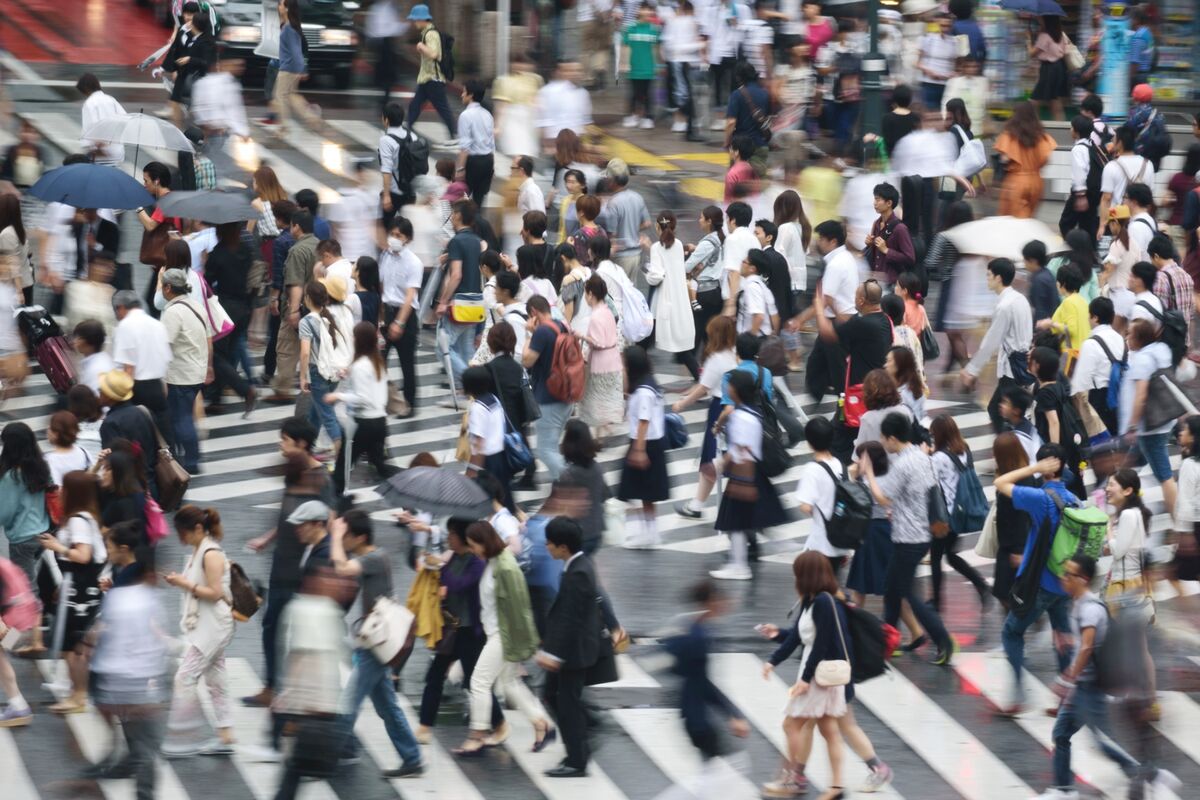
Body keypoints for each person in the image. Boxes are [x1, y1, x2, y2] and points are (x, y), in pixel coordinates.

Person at [1032, 554, 1180, 800]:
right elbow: (1088, 642)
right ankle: (1063, 790)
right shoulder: (1079, 603)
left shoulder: (1089, 608)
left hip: (1089, 687)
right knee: (1062, 734)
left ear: (1084, 579)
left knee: (1103, 742)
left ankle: (1152, 774)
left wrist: (1066, 679)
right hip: (1083, 687)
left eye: (1069, 574)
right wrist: (1070, 641)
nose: (1064, 578)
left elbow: (1088, 646)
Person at [242, 419, 335, 713]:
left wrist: (324, 558)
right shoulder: (292, 472)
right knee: (272, 625)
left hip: (304, 567)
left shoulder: (321, 479)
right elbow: (286, 511)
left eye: (285, 440)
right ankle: (271, 687)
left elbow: (330, 522)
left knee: (298, 632)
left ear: (302, 444)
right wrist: (267, 538)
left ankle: (296, 694)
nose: (280, 445)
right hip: (281, 561)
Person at [327, 510, 424, 777]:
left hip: (375, 646)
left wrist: (334, 535)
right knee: (387, 706)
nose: (343, 540)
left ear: (360, 537)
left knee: (348, 703)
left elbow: (341, 567)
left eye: (347, 536)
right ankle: (412, 757)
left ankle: (323, 758)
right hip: (374, 643)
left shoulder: (374, 558)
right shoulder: (372, 557)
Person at [858, 412, 956, 665]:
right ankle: (886, 643)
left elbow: (882, 498)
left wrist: (868, 472)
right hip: (920, 532)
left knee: (905, 593)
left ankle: (942, 639)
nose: (881, 441)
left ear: (892, 438)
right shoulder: (921, 456)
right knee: (893, 590)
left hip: (909, 536)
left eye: (883, 437)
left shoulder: (903, 464)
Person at [453, 521, 554, 755]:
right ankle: (542, 724)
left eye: (473, 545)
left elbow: (520, 609)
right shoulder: (492, 562)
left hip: (503, 635)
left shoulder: (506, 567)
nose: (472, 550)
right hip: (496, 633)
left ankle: (477, 735)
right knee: (509, 684)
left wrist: (525, 644)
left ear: (484, 542)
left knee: (478, 682)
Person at [760, 551, 854, 800]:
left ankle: (792, 781)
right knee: (829, 730)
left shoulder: (823, 601)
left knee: (791, 724)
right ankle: (835, 787)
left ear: (806, 575)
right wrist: (773, 659)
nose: (795, 578)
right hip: (816, 673)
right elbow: (797, 637)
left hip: (818, 677)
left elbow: (821, 643)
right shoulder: (810, 600)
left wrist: (804, 680)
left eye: (797, 573)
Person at [991, 444, 1077, 714]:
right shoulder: (1075, 500)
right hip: (1066, 583)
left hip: (1040, 584)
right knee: (1062, 636)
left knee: (1011, 632)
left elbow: (1000, 482)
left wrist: (1034, 469)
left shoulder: (1040, 499)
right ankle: (1067, 695)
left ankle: (1017, 696)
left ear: (1045, 467)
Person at [87, 527, 169, 798]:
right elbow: (152, 642)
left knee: (141, 741)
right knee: (148, 745)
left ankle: (123, 767)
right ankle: (140, 788)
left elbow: (102, 638)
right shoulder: (145, 599)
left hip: (118, 679)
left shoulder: (121, 597)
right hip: (138, 682)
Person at [535, 517, 609, 777]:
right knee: (556, 698)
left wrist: (553, 655)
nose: (547, 546)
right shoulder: (577, 564)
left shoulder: (577, 572)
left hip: (573, 653)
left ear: (563, 547)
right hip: (572, 650)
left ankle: (577, 759)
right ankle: (582, 739)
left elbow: (571, 620)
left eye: (550, 543)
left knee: (567, 705)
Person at [159, 505, 235, 757]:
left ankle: (184, 735)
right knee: (215, 680)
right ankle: (225, 735)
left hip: (213, 626)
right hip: (206, 624)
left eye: (183, 533)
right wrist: (180, 582)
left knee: (184, 678)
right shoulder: (198, 550)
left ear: (198, 529)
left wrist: (184, 584)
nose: (181, 538)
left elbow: (214, 593)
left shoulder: (210, 553)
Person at [710, 369, 788, 580]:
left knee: (736, 522)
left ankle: (739, 565)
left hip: (744, 474)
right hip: (750, 473)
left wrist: (726, 468)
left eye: (730, 385)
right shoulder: (751, 412)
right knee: (746, 520)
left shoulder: (742, 417)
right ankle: (741, 562)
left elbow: (741, 450)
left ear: (736, 390)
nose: (727, 388)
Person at [813, 279, 893, 461]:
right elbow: (846, 324)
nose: (854, 300)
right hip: (874, 387)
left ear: (862, 301)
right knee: (845, 432)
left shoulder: (863, 324)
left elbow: (829, 333)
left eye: (856, 296)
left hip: (859, 392)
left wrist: (819, 307)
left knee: (842, 438)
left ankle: (840, 473)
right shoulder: (884, 320)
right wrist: (833, 307)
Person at [673, 316, 738, 520]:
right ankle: (697, 504)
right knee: (723, 459)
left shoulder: (716, 359)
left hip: (719, 410)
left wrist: (682, 403)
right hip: (737, 408)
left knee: (712, 458)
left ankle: (698, 505)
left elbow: (703, 388)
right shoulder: (736, 355)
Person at [961, 258, 1034, 432]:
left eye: (989, 275)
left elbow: (991, 341)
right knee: (1000, 410)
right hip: (1021, 364)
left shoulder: (1004, 306)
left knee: (1001, 412)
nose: (987, 279)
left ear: (998, 278)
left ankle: (1011, 450)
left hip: (1011, 369)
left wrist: (972, 369)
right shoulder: (1020, 299)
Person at [327, 322, 396, 499]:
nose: (352, 338)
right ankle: (406, 494)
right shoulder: (378, 362)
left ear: (360, 341)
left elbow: (363, 398)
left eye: (354, 336)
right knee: (381, 467)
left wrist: (339, 396)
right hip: (380, 422)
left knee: (343, 465)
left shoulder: (360, 366)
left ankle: (335, 501)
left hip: (363, 424)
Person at [928, 414, 990, 611]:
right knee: (951, 555)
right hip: (961, 510)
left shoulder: (939, 458)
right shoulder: (965, 449)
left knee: (938, 557)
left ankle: (937, 601)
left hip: (945, 514)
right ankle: (981, 585)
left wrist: (926, 456)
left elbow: (929, 479)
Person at [1120, 319, 1178, 516]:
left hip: (1149, 427)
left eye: (1129, 334)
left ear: (1138, 339)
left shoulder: (1142, 360)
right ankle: (1125, 509)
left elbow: (1141, 396)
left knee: (1165, 476)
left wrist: (1133, 426)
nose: (1126, 338)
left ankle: (1181, 526)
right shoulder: (1160, 350)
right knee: (1126, 468)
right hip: (1163, 421)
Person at [619, 345, 671, 550]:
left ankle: (648, 533)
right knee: (645, 492)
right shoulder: (649, 384)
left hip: (645, 444)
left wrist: (638, 450)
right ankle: (649, 532)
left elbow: (643, 421)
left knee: (639, 489)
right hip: (649, 443)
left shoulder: (643, 392)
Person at [159, 269, 211, 475]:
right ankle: (188, 455)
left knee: (181, 418)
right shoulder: (196, 306)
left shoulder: (172, 312)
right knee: (182, 415)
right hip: (196, 370)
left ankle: (191, 460)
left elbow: (165, 344)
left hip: (181, 373)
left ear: (168, 287)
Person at [804, 220, 859, 403]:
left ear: (832, 241)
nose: (818, 242)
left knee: (836, 370)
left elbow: (824, 299)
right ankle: (818, 397)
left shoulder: (836, 264)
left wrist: (799, 320)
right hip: (840, 320)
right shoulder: (845, 258)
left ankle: (845, 407)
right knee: (817, 366)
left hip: (837, 324)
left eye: (821, 239)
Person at [111, 290, 172, 447]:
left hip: (137, 388)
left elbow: (128, 367)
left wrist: (122, 398)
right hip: (157, 386)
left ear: (121, 308)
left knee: (140, 437)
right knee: (164, 436)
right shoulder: (157, 324)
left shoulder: (125, 326)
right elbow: (166, 360)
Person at [524, 295, 573, 482]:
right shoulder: (562, 325)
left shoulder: (542, 332)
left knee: (545, 450)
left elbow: (527, 361)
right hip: (565, 394)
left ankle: (572, 486)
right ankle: (560, 485)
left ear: (534, 313)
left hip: (548, 398)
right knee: (552, 447)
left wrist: (529, 334)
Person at [794, 415, 853, 572]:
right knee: (831, 585)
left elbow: (806, 507)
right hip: (840, 540)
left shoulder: (812, 469)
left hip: (821, 542)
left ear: (809, 443)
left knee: (818, 588)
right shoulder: (841, 465)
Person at [0, 422, 53, 596]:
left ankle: (31, 621)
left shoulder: (12, 476)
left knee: (25, 588)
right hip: (43, 530)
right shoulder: (40, 466)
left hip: (22, 538)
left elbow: (5, 512)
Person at [298, 281, 347, 454]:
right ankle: (307, 446)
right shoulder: (329, 317)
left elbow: (305, 353)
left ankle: (341, 448)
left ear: (309, 299)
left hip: (317, 371)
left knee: (326, 413)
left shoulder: (306, 321)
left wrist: (303, 377)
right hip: (332, 372)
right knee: (316, 411)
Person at [96, 370, 159, 497]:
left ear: (110, 395)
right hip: (151, 485)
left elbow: (113, 463)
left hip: (129, 491)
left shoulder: (110, 423)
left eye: (101, 390)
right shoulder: (143, 411)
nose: (99, 393)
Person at [575, 276, 624, 435]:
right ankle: (604, 427)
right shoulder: (607, 311)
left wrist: (581, 336)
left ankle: (598, 435)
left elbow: (597, 342)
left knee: (595, 399)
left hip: (600, 362)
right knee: (605, 396)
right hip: (613, 359)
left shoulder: (595, 316)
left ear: (590, 294)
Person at [554, 420, 612, 555]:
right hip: (596, 531)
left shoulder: (569, 474)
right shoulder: (597, 468)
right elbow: (604, 495)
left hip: (576, 535)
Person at [1070, 297, 1124, 435]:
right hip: (1120, 396)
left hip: (1100, 400)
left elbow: (1080, 383)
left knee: (1103, 446)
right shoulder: (1120, 339)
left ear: (1094, 317)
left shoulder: (1091, 344)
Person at [405, 4, 457, 143]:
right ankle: (406, 129)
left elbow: (434, 54)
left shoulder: (431, 34)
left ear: (422, 19)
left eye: (416, 19)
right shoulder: (427, 33)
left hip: (433, 79)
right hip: (427, 78)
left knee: (442, 108)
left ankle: (455, 134)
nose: (414, 22)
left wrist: (421, 46)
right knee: (415, 106)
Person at [272, 0, 325, 137]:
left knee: (280, 96)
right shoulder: (287, 26)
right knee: (291, 95)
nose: (279, 7)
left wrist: (302, 69)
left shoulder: (289, 28)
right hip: (291, 67)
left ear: (287, 9)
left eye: (281, 5)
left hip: (288, 69)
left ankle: (284, 127)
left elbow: (296, 51)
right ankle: (312, 118)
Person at [995, 102, 1057, 219]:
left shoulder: (1010, 135)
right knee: (1029, 219)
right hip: (1036, 181)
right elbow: (1046, 160)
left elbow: (1004, 159)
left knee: (1013, 221)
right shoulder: (1041, 136)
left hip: (1016, 181)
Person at [599, 159, 652, 287]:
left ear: (612, 180)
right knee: (630, 291)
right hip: (636, 255)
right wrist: (632, 229)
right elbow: (647, 223)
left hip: (620, 256)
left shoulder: (613, 203)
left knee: (617, 293)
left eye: (607, 177)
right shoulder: (637, 197)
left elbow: (612, 233)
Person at [685, 205, 727, 354]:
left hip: (703, 293)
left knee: (698, 330)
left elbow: (687, 267)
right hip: (716, 291)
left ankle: (690, 362)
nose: (699, 220)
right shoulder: (721, 238)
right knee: (709, 333)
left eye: (702, 217)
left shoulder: (707, 243)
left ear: (709, 221)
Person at [1097, 127, 1155, 235]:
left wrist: (1102, 226)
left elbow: (1106, 199)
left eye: (1114, 139)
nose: (1112, 142)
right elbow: (1150, 197)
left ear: (1120, 143)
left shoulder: (1111, 166)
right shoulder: (1148, 164)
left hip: (1116, 219)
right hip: (1140, 219)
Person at [723, 62, 772, 177]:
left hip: (741, 147)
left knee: (737, 183)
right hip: (760, 145)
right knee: (757, 183)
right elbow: (768, 119)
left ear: (738, 77)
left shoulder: (736, 94)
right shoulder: (765, 94)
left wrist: (726, 142)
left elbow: (731, 122)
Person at [455, 79, 496, 209]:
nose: (462, 95)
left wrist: (460, 169)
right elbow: (491, 142)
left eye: (464, 92)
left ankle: (464, 227)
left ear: (471, 95)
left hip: (473, 162)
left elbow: (465, 146)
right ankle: (477, 227)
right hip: (487, 161)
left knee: (462, 200)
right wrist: (492, 164)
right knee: (479, 201)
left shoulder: (466, 115)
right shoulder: (487, 114)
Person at [1148, 233, 1195, 343]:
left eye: (1151, 259)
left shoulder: (1161, 278)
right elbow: (1191, 312)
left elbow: (1158, 314)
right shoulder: (1186, 275)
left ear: (1156, 256)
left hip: (1168, 341)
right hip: (1183, 340)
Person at [863, 183, 914, 286]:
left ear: (889, 203)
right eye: (874, 199)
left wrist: (887, 251)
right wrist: (869, 244)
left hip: (892, 283)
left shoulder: (900, 228)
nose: (874, 203)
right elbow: (875, 255)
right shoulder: (876, 224)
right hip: (876, 281)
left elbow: (910, 258)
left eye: (878, 200)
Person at [1061, 115, 1102, 240]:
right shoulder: (1092, 146)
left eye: (1071, 128)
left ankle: (1074, 249)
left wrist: (1080, 196)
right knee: (1088, 226)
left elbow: (1079, 172)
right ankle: (1090, 252)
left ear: (1076, 132)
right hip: (1094, 193)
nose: (1070, 130)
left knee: (1065, 223)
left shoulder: (1078, 149)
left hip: (1082, 194)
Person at [1100, 206, 1142, 328]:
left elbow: (1108, 272)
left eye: (1110, 223)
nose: (1109, 227)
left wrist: (1100, 289)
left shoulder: (1117, 245)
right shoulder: (1134, 243)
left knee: (1115, 334)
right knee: (1124, 335)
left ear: (1115, 223)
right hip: (1131, 294)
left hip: (1118, 296)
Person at [622, 3, 660, 130]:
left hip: (648, 67)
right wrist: (625, 63)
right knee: (634, 93)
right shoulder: (630, 28)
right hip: (634, 67)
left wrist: (658, 65)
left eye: (650, 10)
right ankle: (633, 115)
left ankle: (648, 117)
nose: (648, 12)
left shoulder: (654, 29)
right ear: (639, 11)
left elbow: (655, 48)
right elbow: (626, 46)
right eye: (645, 9)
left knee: (648, 93)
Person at [1172, 416, 1200, 587]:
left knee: (1177, 572)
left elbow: (1185, 500)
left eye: (1185, 430)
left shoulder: (1190, 464)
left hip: (1196, 526)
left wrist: (1185, 533)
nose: (1180, 433)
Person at [76, 73, 126, 167]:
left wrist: (94, 144)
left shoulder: (89, 103)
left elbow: (91, 127)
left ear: (86, 88)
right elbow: (125, 119)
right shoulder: (111, 100)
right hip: (117, 152)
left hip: (100, 154)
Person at [1028, 14, 1069, 121]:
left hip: (1048, 69)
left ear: (1047, 20)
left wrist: (1028, 39)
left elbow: (1032, 53)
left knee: (1034, 101)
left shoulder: (1044, 36)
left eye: (1041, 18)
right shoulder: (1061, 35)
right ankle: (1061, 127)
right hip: (1059, 68)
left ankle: (1036, 128)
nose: (1039, 19)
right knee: (1054, 101)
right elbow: (1064, 52)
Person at [918, 12, 958, 109]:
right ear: (937, 24)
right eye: (942, 25)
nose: (945, 28)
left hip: (947, 83)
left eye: (948, 26)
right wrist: (929, 71)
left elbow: (959, 65)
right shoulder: (927, 39)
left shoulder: (955, 41)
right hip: (930, 82)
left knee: (946, 110)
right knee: (931, 110)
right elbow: (917, 62)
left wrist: (953, 74)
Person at [738, 250, 780, 337]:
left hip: (753, 340)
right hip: (763, 338)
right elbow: (775, 316)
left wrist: (750, 340)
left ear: (752, 269)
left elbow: (759, 316)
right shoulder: (763, 287)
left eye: (744, 262)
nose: (741, 264)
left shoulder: (752, 287)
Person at [45, 411, 91, 486]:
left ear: (56, 434)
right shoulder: (84, 452)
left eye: (49, 427)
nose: (47, 430)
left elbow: (56, 488)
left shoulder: (49, 460)